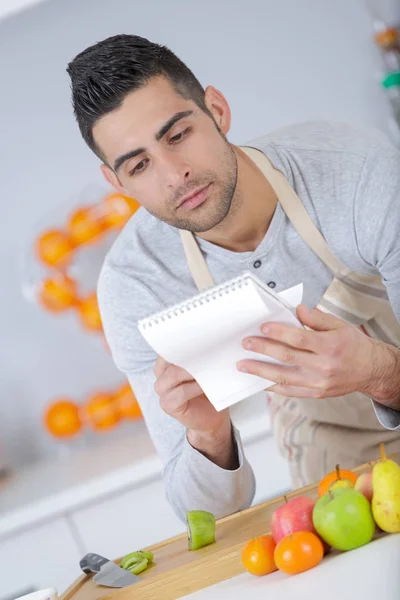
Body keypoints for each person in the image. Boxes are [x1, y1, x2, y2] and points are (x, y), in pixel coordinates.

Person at [66, 34, 400, 523]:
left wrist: (376, 371)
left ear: (217, 111)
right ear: (118, 184)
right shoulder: (136, 286)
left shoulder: (356, 175)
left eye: (178, 135)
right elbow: (202, 516)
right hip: (340, 471)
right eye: (139, 165)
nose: (174, 174)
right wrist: (207, 438)